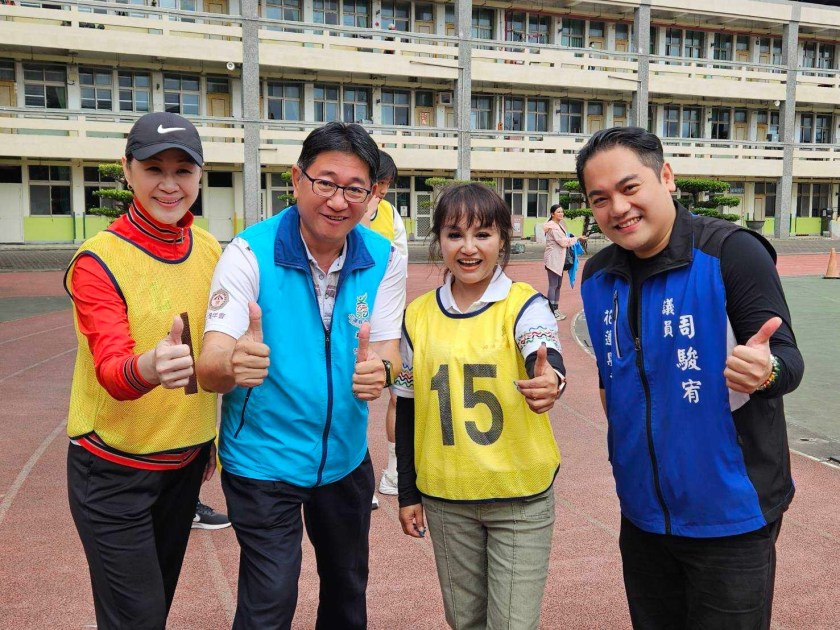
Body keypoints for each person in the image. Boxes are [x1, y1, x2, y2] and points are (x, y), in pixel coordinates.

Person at [577, 127, 804, 630]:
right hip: (642, 514)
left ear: (665, 176)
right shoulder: (598, 277)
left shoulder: (732, 253)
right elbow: (612, 378)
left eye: (630, 187)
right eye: (600, 198)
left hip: (731, 515)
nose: (618, 208)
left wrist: (766, 372)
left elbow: (787, 359)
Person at [195, 121, 406, 629]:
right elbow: (210, 362)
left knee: (347, 592)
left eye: (354, 189)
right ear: (296, 179)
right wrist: (232, 364)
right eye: (325, 183)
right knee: (269, 600)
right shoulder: (248, 253)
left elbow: (387, 348)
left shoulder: (384, 257)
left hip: (345, 459)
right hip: (263, 461)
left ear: (372, 194)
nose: (338, 201)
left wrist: (381, 370)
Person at [64, 111, 221, 629]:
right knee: (139, 618)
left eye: (183, 170)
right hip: (113, 471)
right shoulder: (99, 260)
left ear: (200, 176)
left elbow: (215, 347)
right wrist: (150, 366)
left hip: (183, 466)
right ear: (127, 169)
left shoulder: (210, 249)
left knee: (151, 611)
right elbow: (112, 369)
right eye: (154, 169)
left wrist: (206, 439)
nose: (170, 185)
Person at [394, 183, 566, 630]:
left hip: (519, 499)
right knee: (464, 621)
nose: (468, 248)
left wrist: (551, 380)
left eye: (483, 234)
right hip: (447, 500)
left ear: (503, 239)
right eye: (455, 234)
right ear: (438, 240)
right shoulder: (416, 316)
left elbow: (542, 351)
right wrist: (408, 492)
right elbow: (408, 409)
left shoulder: (525, 304)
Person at [360, 149, 408, 508]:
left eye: (386, 184)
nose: (382, 191)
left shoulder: (391, 215)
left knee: (396, 393)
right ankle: (350, 475)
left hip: (386, 319)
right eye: (377, 183)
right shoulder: (345, 211)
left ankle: (393, 471)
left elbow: (399, 264)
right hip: (348, 317)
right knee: (348, 396)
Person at [543, 203, 586, 320]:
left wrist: (572, 237)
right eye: (558, 212)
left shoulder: (558, 225)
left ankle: (555, 309)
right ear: (552, 214)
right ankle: (551, 311)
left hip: (559, 260)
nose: (561, 214)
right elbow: (563, 242)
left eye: (562, 211)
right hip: (553, 260)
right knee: (553, 285)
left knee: (558, 286)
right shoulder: (552, 227)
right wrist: (577, 238)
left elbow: (564, 238)